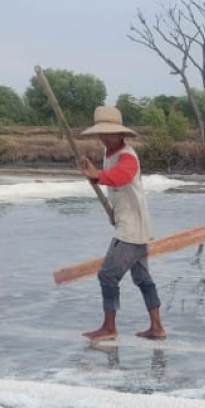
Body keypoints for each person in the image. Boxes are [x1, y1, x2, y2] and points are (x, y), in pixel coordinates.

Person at [75, 105, 165, 341]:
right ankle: (157, 327)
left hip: (131, 230)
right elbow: (113, 183)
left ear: (120, 134)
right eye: (102, 134)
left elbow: (122, 176)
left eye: (110, 133)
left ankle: (109, 327)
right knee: (143, 278)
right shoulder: (109, 154)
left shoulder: (127, 156)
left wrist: (97, 176)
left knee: (107, 276)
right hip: (132, 225)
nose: (105, 138)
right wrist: (93, 173)